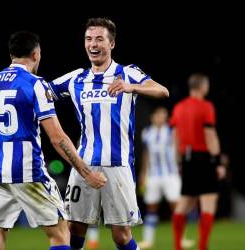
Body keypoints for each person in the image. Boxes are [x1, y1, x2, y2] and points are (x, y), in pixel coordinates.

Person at [0, 31, 106, 250]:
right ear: (36, 54)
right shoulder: (34, 84)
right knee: (60, 233)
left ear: (11, 55)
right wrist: (87, 173)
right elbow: (57, 137)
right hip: (26, 171)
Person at [48, 18, 169, 250]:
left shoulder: (127, 73)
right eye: (89, 39)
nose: (93, 44)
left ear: (111, 44)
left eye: (99, 39)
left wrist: (132, 87)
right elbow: (42, 92)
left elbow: (161, 91)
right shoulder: (76, 78)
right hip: (83, 165)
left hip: (118, 165)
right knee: (73, 229)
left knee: (121, 236)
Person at [170, 73, 226, 250]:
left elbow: (175, 138)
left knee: (184, 203)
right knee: (208, 202)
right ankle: (203, 246)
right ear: (202, 86)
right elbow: (210, 136)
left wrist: (179, 162)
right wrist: (217, 162)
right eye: (206, 85)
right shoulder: (206, 106)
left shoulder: (178, 108)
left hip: (186, 159)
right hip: (203, 158)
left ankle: (178, 246)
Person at [137, 107, 194, 249]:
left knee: (177, 208)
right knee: (151, 208)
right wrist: (143, 174)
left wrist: (182, 167)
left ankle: (181, 239)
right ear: (153, 117)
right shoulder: (147, 133)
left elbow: (179, 150)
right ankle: (148, 240)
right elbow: (146, 154)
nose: (162, 117)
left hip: (171, 174)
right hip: (153, 176)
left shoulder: (171, 131)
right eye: (159, 115)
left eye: (164, 115)